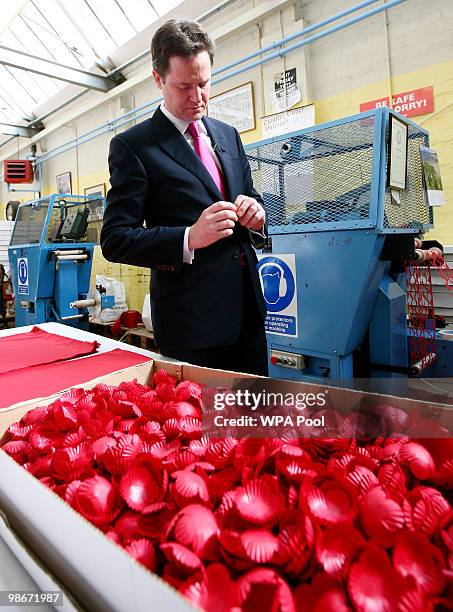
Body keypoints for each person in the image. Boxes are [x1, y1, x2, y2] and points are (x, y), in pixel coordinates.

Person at [100, 19, 268, 376]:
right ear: (158, 79)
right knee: (202, 427)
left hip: (249, 315)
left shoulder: (228, 135)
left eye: (204, 84)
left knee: (255, 422)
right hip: (193, 326)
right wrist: (189, 237)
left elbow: (250, 196)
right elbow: (115, 239)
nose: (197, 98)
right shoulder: (134, 147)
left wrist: (257, 214)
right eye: (183, 87)